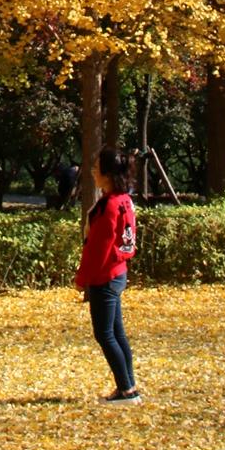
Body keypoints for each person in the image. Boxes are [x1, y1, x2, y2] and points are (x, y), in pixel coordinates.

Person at [75, 146, 140, 403]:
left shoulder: (111, 205)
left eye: (96, 167)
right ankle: (128, 386)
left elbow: (98, 249)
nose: (92, 171)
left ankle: (126, 390)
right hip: (117, 273)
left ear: (108, 173)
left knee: (105, 334)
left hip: (106, 276)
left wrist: (82, 279)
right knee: (116, 333)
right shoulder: (122, 200)